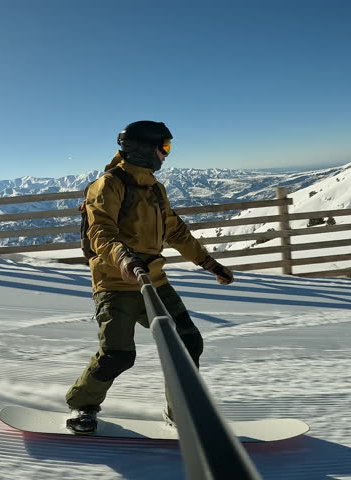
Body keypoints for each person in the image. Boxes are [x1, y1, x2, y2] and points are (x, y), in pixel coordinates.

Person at [65, 120, 235, 434]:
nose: (166, 154)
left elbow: (176, 231)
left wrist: (209, 263)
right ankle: (83, 405)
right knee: (118, 355)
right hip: (115, 283)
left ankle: (180, 410)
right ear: (144, 148)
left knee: (187, 341)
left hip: (153, 282)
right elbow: (100, 233)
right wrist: (125, 259)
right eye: (164, 147)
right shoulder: (108, 185)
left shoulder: (155, 189)